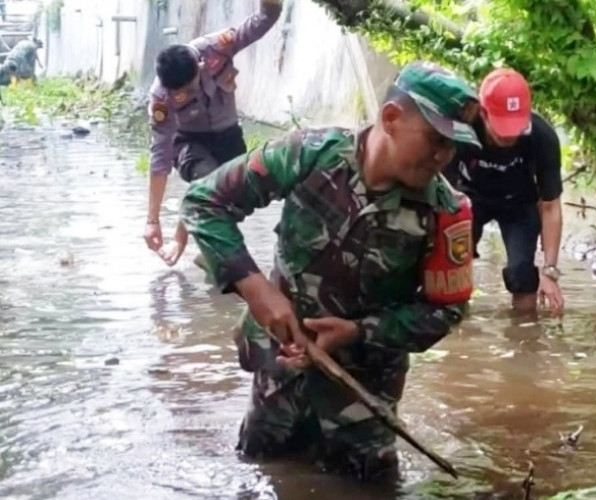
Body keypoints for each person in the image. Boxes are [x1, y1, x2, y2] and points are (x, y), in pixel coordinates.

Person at [180, 61, 482, 480]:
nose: (443, 156)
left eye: (452, 146)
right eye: (435, 140)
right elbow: (204, 202)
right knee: (262, 473)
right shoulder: (309, 155)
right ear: (392, 119)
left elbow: (446, 311)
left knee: (367, 488)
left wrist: (360, 332)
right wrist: (255, 289)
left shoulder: (446, 212)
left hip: (362, 395)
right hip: (280, 374)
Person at [143, 0, 282, 267]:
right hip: (188, 141)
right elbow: (160, 156)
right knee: (207, 178)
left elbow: (262, 21)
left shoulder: (217, 46)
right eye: (180, 91)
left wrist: (270, 6)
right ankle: (183, 242)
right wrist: (152, 220)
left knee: (235, 194)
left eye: (190, 85)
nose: (189, 92)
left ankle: (208, 253)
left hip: (228, 134)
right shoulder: (161, 97)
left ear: (200, 65)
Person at [444, 67, 564, 317]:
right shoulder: (460, 129)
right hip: (468, 199)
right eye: (502, 127)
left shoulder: (542, 137)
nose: (509, 136)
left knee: (523, 273)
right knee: (452, 264)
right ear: (483, 113)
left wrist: (550, 272)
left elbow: (551, 206)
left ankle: (524, 334)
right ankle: (456, 325)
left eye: (516, 127)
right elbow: (440, 191)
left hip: (519, 203)